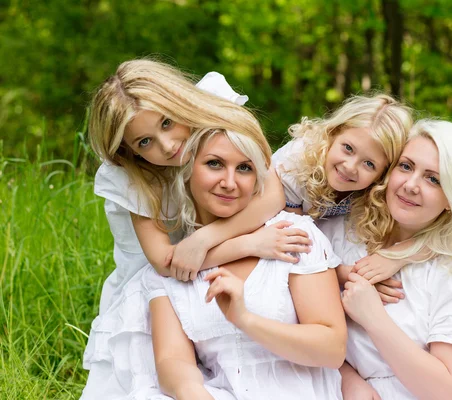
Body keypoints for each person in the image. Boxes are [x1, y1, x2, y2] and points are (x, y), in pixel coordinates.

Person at [81, 60, 310, 399]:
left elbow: (272, 194)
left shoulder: (217, 109)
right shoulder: (133, 177)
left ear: (179, 102)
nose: (168, 145)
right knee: (153, 379)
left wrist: (205, 238)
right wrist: (249, 244)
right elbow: (164, 262)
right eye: (145, 142)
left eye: (167, 123)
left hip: (210, 253)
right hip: (159, 282)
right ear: (129, 151)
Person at [142, 126, 347, 399]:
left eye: (244, 168)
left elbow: (331, 350)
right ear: (188, 168)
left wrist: (245, 320)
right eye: (214, 164)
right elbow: (172, 361)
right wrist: (193, 392)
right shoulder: (169, 267)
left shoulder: (293, 235)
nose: (229, 182)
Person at [320, 119, 452, 399]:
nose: (411, 185)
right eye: (406, 166)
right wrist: (346, 379)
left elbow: (446, 389)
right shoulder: (338, 232)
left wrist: (373, 317)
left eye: (433, 179)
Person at [273, 94, 425, 299]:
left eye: (369, 164)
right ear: (333, 133)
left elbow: (443, 233)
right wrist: (348, 275)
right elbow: (296, 245)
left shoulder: (379, 191)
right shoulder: (297, 162)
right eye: (348, 148)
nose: (350, 167)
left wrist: (395, 259)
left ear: (383, 174)